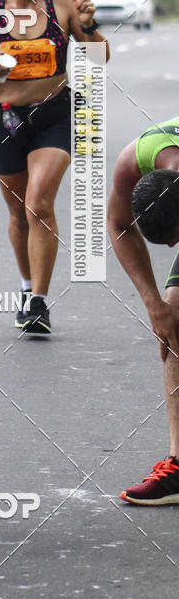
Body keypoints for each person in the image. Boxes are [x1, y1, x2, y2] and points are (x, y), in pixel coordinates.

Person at [0, 0, 110, 335]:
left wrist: (88, 26)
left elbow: (98, 57)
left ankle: (38, 301)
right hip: (4, 118)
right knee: (18, 212)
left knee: (39, 203)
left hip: (55, 114)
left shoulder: (64, 5)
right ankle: (25, 287)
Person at [108, 117, 179, 504]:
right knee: (174, 320)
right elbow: (118, 226)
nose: (171, 250)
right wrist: (154, 305)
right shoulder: (132, 162)